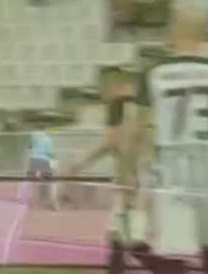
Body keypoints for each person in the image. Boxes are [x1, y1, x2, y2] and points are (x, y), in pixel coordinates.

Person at [124, 9, 208, 274]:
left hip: (173, 168)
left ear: (174, 36)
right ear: (203, 37)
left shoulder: (155, 73)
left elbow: (136, 130)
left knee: (174, 257)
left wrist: (128, 172)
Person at [62, 70, 148, 274]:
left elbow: (111, 142)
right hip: (147, 176)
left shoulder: (117, 105)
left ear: (112, 86)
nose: (103, 94)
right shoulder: (145, 106)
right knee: (122, 234)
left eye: (103, 89)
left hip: (130, 177)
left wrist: (81, 163)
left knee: (126, 237)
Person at [27, 129, 59, 209]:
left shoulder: (33, 135)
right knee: (52, 181)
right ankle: (53, 201)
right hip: (43, 161)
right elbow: (50, 153)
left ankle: (31, 200)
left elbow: (29, 147)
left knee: (33, 180)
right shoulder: (48, 139)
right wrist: (55, 160)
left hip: (33, 160)